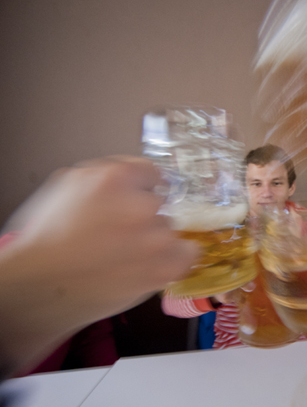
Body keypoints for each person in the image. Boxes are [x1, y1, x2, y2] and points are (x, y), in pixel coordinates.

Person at [0, 156, 199, 380]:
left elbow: (94, 336)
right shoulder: (87, 259)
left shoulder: (102, 279)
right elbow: (173, 302)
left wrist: (109, 377)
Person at [162, 144, 307, 348]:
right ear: (243, 188)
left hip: (303, 345)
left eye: (276, 183)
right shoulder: (221, 232)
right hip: (239, 348)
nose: (266, 193)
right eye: (256, 184)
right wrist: (215, 296)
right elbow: (171, 302)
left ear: (291, 187)